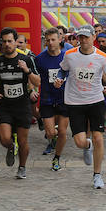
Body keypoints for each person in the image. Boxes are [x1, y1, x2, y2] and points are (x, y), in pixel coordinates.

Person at [57, 24, 106, 189]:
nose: (83, 40)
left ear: (93, 38)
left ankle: (97, 175)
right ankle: (87, 146)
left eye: (86, 37)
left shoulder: (102, 57)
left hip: (95, 101)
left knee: (99, 138)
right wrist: (59, 79)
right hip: (74, 102)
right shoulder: (69, 55)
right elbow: (62, 70)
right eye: (80, 37)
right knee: (79, 141)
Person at [0, 27, 40, 179]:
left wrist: (27, 71)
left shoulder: (26, 59)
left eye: (10, 41)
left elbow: (38, 81)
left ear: (16, 42)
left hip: (22, 105)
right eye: (4, 42)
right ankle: (11, 147)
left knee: (23, 141)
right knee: (4, 139)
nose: (7, 44)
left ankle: (22, 167)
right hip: (5, 105)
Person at [34, 28, 70, 171]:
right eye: (47, 40)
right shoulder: (40, 59)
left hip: (64, 98)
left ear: (60, 40)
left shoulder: (67, 57)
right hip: (47, 98)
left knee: (62, 131)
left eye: (53, 39)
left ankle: (57, 157)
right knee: (50, 133)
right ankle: (52, 137)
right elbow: (34, 77)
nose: (50, 42)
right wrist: (33, 89)